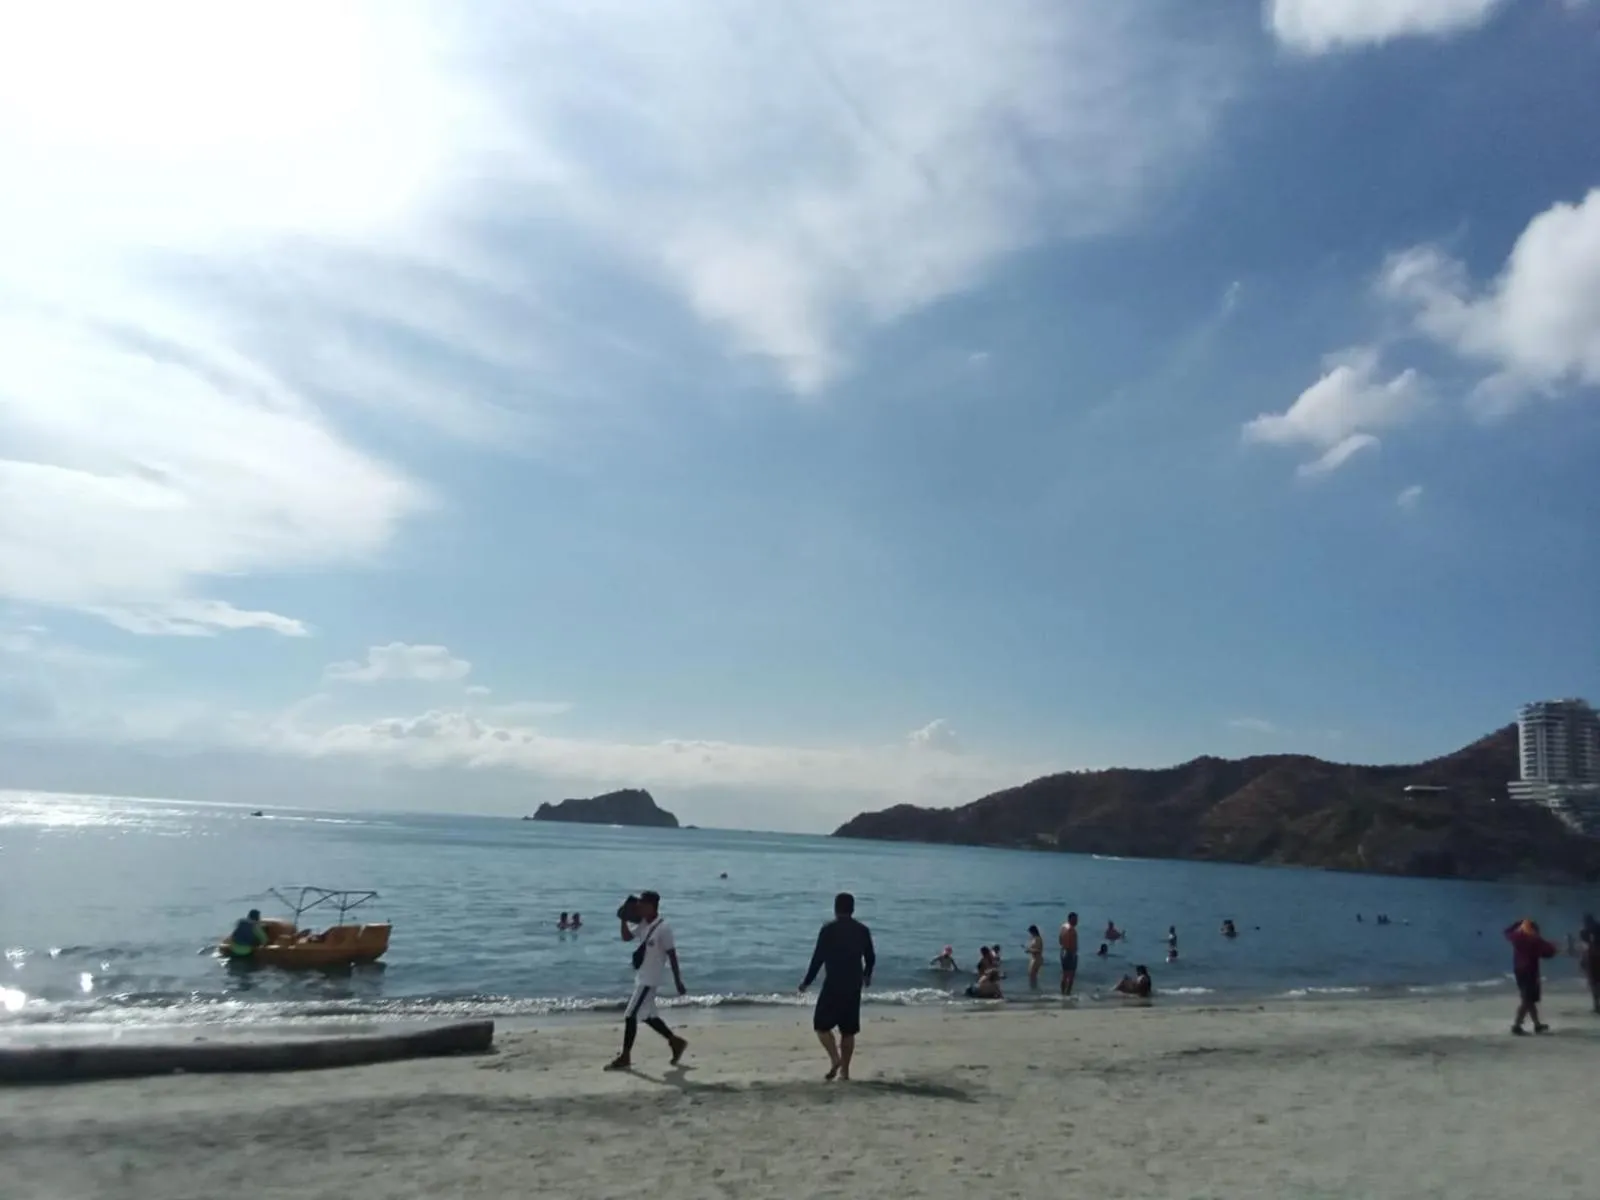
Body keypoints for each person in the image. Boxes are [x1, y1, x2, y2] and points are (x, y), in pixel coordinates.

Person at [606, 891, 688, 1070]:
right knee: (648, 1016)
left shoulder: (664, 928)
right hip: (642, 977)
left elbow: (672, 955)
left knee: (630, 1015)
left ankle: (625, 1056)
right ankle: (676, 1042)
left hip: (650, 980)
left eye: (641, 904)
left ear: (651, 906)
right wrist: (623, 919)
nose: (638, 907)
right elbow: (627, 937)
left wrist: (678, 981)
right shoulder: (644, 924)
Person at [798, 892, 876, 1082]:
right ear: (853, 909)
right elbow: (871, 957)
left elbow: (818, 959)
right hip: (853, 984)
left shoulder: (828, 930)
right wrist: (866, 975)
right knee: (848, 1030)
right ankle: (845, 1073)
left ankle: (835, 1058)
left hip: (834, 983)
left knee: (821, 1025)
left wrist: (806, 982)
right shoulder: (862, 930)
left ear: (835, 908)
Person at [1505, 918, 1557, 1035]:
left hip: (1519, 970)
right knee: (1527, 999)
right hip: (1530, 971)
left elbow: (1507, 932)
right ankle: (1517, 1025)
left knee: (1529, 999)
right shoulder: (1534, 940)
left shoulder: (1517, 937)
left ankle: (1537, 1024)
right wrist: (1554, 947)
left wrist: (1518, 923)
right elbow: (1548, 952)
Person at [1579, 913, 1600, 1015]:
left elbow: (1585, 945)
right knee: (1594, 983)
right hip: (1592, 957)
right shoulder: (1586, 930)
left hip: (1592, 957)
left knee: (1594, 983)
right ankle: (1596, 1004)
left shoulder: (1584, 931)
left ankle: (1596, 1005)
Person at [1058, 911, 1080, 996]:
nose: (1077, 921)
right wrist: (1073, 954)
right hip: (1070, 953)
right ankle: (1068, 994)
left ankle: (1063, 993)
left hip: (1063, 951)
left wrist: (1064, 947)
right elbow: (1072, 944)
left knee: (1065, 975)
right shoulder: (1071, 929)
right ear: (1071, 919)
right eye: (1075, 919)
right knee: (1071, 976)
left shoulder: (1063, 927)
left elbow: (1060, 940)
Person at [1024, 926, 1045, 990]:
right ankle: (1033, 988)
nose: (1030, 934)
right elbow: (1034, 948)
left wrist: (1029, 950)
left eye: (1031, 932)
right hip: (1034, 958)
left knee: (1032, 975)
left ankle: (1034, 988)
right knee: (1031, 975)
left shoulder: (1037, 939)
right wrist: (1028, 949)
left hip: (1037, 959)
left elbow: (1038, 950)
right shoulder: (1034, 938)